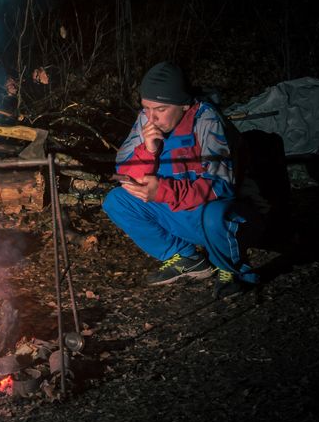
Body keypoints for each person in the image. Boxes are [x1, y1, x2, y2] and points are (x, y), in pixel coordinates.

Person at [102, 61, 263, 298]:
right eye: (146, 108)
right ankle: (186, 258)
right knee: (117, 200)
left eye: (160, 109)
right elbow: (125, 172)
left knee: (215, 214)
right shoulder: (146, 120)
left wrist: (163, 191)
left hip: (227, 218)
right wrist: (148, 150)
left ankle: (233, 270)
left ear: (184, 105)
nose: (151, 117)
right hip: (180, 212)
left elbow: (221, 186)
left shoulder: (207, 120)